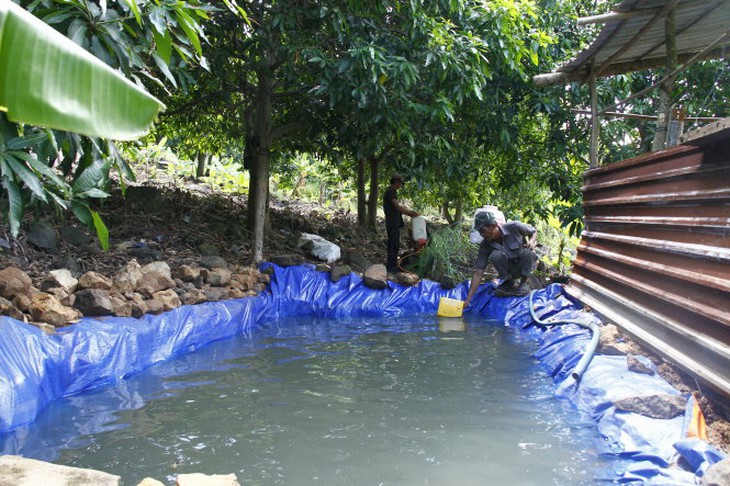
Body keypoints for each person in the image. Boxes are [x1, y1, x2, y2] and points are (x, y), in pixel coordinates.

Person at [463, 211, 538, 306]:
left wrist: (531, 241)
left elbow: (534, 231)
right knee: (496, 255)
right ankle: (509, 283)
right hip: (509, 270)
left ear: (493, 225)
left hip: (523, 265)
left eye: (483, 231)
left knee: (529, 252)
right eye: (480, 232)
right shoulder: (485, 245)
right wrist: (468, 300)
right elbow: (478, 272)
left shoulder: (514, 226)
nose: (482, 235)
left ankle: (524, 282)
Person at [383, 174, 419, 274]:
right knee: (393, 244)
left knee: (395, 244)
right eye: (400, 183)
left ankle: (393, 265)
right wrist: (409, 213)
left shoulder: (392, 191)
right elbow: (397, 207)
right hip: (392, 222)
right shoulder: (390, 191)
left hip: (394, 222)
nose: (401, 186)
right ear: (396, 182)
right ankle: (391, 267)